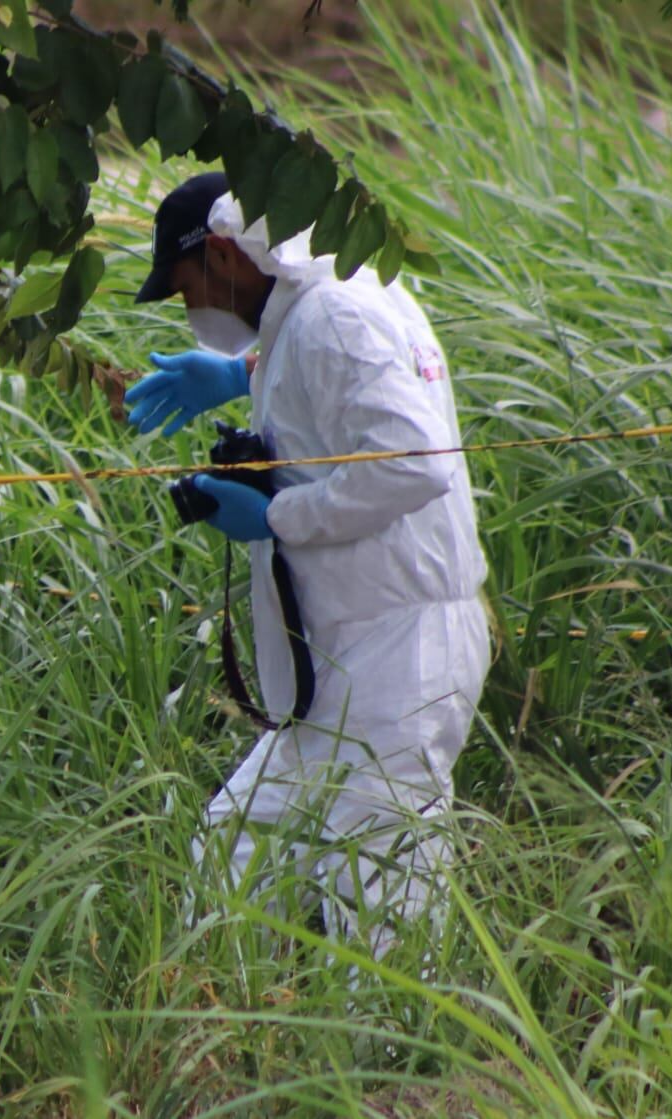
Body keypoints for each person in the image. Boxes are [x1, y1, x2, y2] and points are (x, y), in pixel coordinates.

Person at [126, 172, 490, 956]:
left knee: (383, 913)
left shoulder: (335, 313)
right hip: (352, 653)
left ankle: (395, 1040)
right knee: (232, 851)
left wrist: (276, 515)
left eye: (188, 288)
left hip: (401, 655)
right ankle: (225, 1027)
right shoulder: (329, 299)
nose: (193, 311)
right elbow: (343, 389)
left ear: (224, 253)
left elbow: (414, 462)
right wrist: (240, 376)